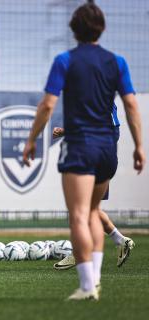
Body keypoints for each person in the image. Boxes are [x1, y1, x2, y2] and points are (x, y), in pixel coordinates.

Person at [22, 3, 145, 301]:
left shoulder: (65, 60)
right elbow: (130, 105)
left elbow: (47, 104)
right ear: (101, 28)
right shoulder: (118, 62)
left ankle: (88, 286)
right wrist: (140, 145)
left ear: (73, 30)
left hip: (79, 147)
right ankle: (96, 282)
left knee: (78, 214)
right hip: (107, 148)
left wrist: (32, 139)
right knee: (92, 211)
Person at [52, 127, 135, 271]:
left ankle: (82, 256)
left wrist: (66, 131)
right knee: (90, 209)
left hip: (92, 156)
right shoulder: (106, 106)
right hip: (103, 155)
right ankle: (120, 240)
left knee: (80, 209)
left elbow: (95, 126)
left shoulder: (95, 105)